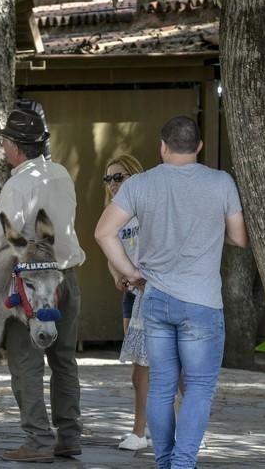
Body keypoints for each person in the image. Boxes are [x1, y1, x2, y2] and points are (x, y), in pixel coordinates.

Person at [95, 116, 248, 468]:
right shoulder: (220, 182)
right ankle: (181, 464)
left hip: (156, 299)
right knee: (197, 389)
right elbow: (239, 238)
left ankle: (166, 462)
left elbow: (104, 233)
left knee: (161, 386)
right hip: (202, 302)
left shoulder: (141, 184)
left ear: (163, 146)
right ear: (199, 147)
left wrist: (131, 273)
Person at [0, 109, 86, 463]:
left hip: (34, 281)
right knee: (64, 360)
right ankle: (69, 437)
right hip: (67, 277)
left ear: (16, 148)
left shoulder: (19, 183)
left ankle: (38, 442)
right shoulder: (61, 173)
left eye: (6, 142)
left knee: (26, 362)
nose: (4, 147)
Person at [101, 154, 151, 451]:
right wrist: (117, 274)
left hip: (155, 291)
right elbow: (111, 253)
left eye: (119, 177)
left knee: (162, 367)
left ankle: (173, 429)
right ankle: (143, 430)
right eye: (108, 179)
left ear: (135, 175)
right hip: (132, 296)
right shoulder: (113, 212)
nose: (112, 184)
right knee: (140, 367)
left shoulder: (149, 207)